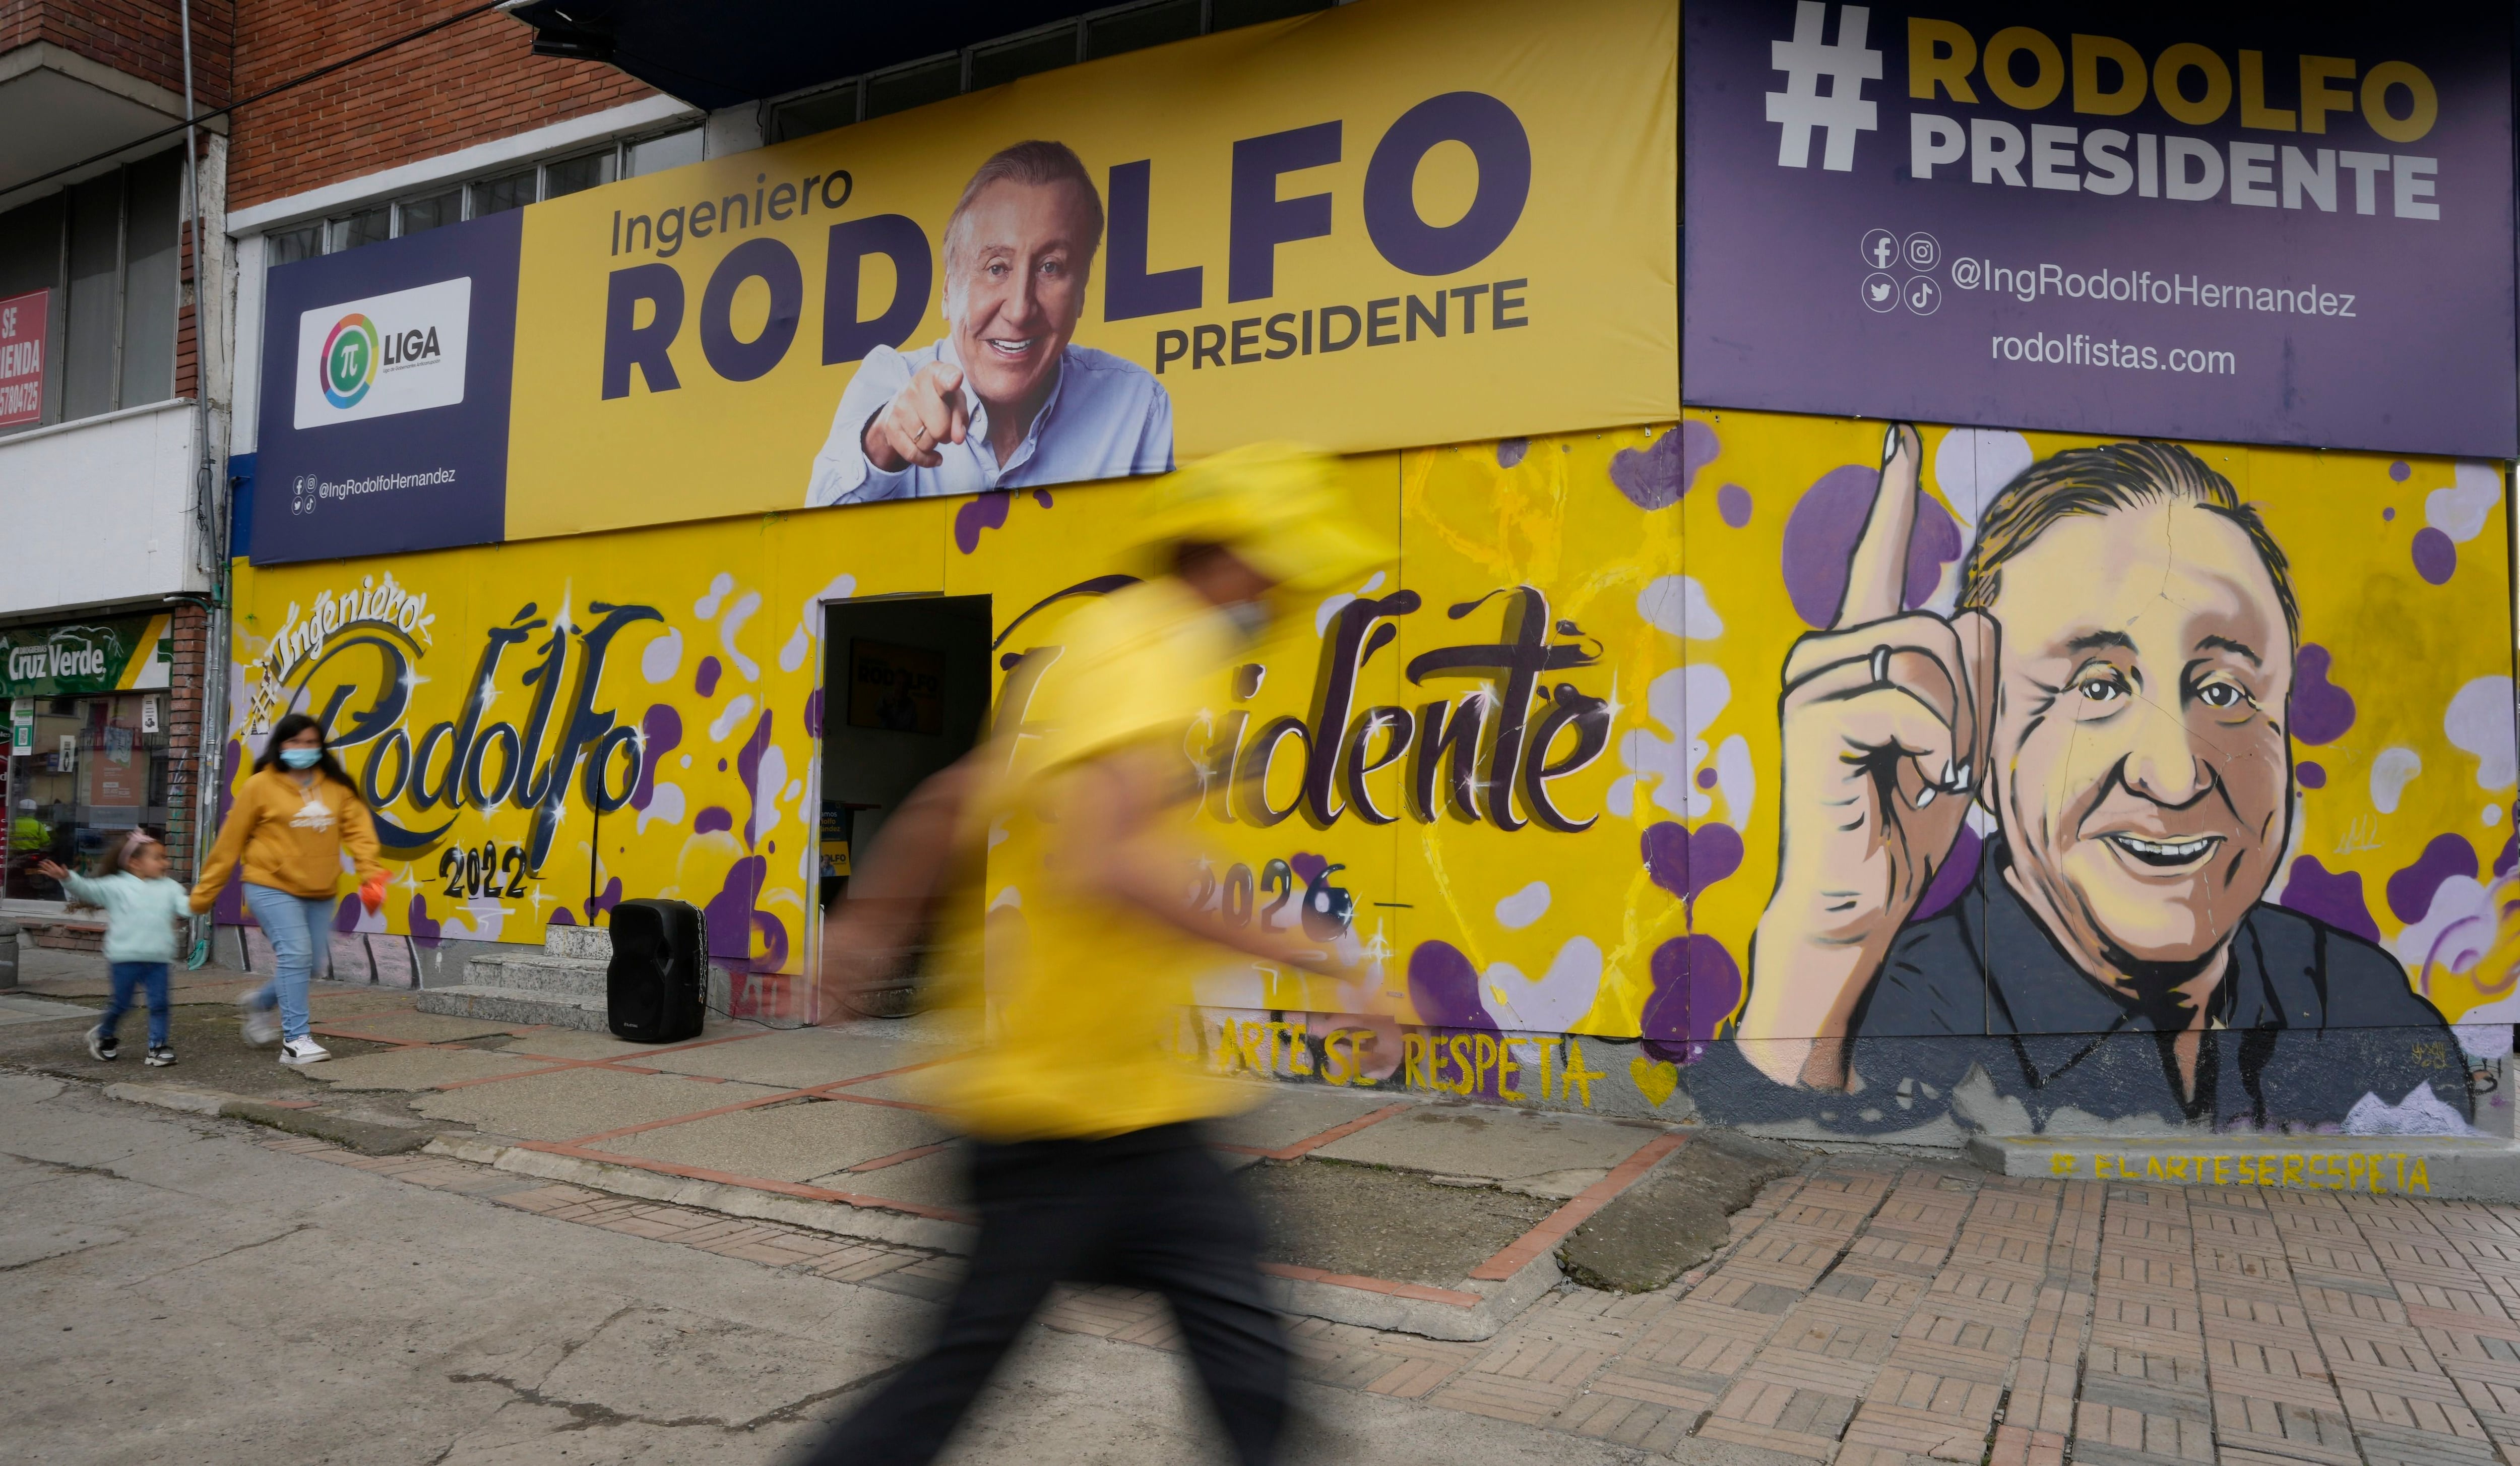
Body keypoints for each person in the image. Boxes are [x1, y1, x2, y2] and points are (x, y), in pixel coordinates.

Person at [795, 444, 1401, 1466]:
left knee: (1238, 1349)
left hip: (1124, 1103)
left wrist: (863, 924)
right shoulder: (1151, 653)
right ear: (1234, 556)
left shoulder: (1085, 646)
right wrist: (1320, 955)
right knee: (957, 1376)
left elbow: (955, 794)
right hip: (1063, 1115)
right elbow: (1103, 862)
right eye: (1283, 569)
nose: (1290, 596)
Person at [1722, 427, 2467, 1130]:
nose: (2173, 778)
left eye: (2223, 692)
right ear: (1980, 738)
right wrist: (1825, 947)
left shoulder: (2359, 1002)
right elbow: (1784, 1193)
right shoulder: (1891, 1013)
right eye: (2098, 687)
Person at [803, 140, 1173, 506]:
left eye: (1051, 267)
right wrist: (884, 441)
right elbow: (814, 550)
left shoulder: (1138, 407)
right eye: (996, 268)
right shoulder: (890, 381)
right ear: (948, 291)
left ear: (1082, 293)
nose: (1019, 309)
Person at [190, 714, 388, 1066]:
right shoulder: (259, 786)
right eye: (295, 742)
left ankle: (261, 1002)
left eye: (311, 743)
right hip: (270, 883)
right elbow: (229, 843)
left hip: (320, 888)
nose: (303, 749)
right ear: (281, 746)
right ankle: (296, 1041)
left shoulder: (337, 787)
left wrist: (370, 875)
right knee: (295, 954)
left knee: (308, 963)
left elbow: (360, 834)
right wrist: (204, 895)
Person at [40, 831, 188, 1067]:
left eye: (165, 858)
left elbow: (187, 908)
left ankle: (157, 1047)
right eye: (159, 858)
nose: (166, 863)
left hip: (158, 958)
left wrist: (205, 897)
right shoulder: (117, 886)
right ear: (135, 863)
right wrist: (67, 878)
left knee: (160, 1004)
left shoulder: (170, 887)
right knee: (122, 1004)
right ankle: (104, 1034)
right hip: (125, 957)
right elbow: (89, 889)